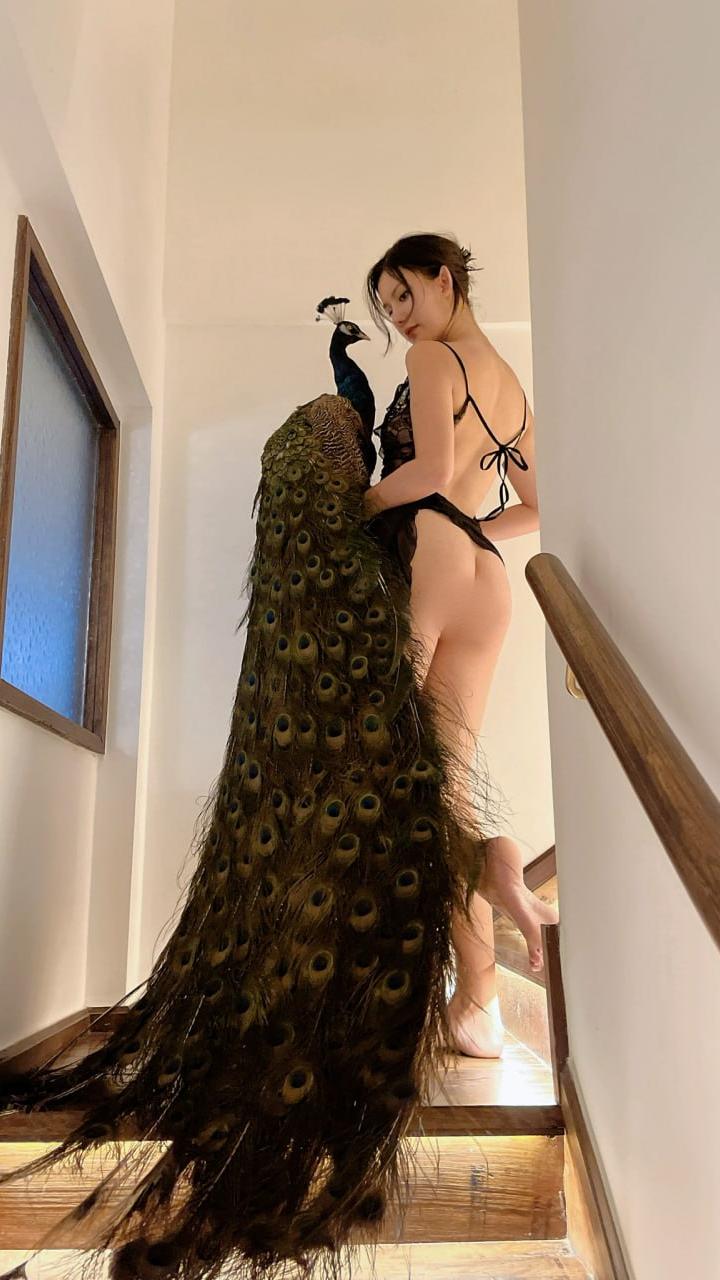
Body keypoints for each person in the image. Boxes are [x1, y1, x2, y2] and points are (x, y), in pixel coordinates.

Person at [362, 232, 559, 1058]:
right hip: (486, 576)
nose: (399, 318)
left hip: (429, 556)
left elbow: (431, 473)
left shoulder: (433, 359)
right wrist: (471, 529)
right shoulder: (510, 386)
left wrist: (355, 511)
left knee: (381, 761)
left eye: (404, 294)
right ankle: (478, 1002)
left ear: (445, 279)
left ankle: (390, 991)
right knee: (444, 779)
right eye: (386, 308)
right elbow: (537, 506)